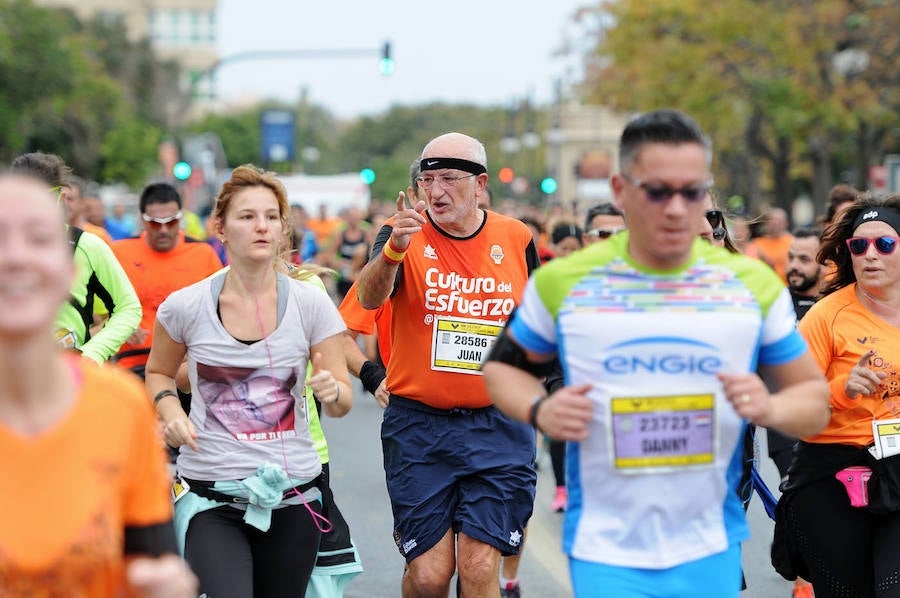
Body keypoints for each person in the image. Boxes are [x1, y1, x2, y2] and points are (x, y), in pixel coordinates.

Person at [481, 109, 830, 598]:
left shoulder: (750, 285)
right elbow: (501, 371)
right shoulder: (566, 281)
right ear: (621, 190)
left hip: (709, 539)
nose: (675, 208)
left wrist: (770, 408)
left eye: (690, 193)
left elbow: (814, 399)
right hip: (606, 544)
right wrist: (540, 409)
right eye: (657, 190)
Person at [144, 164, 353, 597]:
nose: (261, 226)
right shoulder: (185, 306)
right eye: (247, 216)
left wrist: (333, 393)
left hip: (294, 497)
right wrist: (169, 412)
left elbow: (342, 403)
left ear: (282, 227)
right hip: (211, 498)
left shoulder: (310, 304)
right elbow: (159, 371)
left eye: (271, 216)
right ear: (220, 227)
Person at [357, 132, 540, 597]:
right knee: (430, 574)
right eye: (427, 180)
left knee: (480, 569)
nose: (435, 192)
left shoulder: (517, 238)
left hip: (498, 427)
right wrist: (395, 249)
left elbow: (540, 328)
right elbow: (368, 297)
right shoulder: (401, 231)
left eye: (449, 179)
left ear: (480, 186)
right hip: (419, 428)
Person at [0, 172, 196, 597]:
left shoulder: (119, 405)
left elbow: (149, 558)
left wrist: (162, 584)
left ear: (67, 270)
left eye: (37, 239)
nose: (15, 257)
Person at [778, 195, 900, 597]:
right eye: (858, 245)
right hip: (832, 476)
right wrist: (842, 389)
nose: (870, 255)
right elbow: (790, 402)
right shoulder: (827, 315)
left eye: (884, 244)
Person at [10, 152, 141, 363]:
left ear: (60, 197)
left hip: (72, 377)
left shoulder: (87, 245)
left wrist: (92, 353)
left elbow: (128, 307)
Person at [112, 182, 223, 376]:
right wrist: (118, 325)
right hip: (134, 361)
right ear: (142, 220)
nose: (163, 230)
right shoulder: (119, 252)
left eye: (170, 222)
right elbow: (96, 311)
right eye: (155, 223)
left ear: (181, 218)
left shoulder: (203, 253)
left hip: (186, 363)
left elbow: (222, 310)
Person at [750, 206, 793, 280]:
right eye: (772, 220)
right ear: (766, 223)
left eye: (779, 220)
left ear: (786, 223)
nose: (775, 223)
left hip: (787, 287)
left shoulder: (792, 242)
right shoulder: (756, 243)